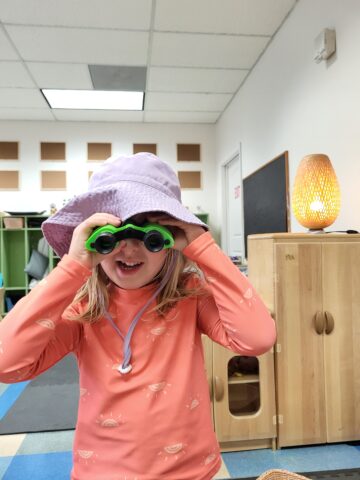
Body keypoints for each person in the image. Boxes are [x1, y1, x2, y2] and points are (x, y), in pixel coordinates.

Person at [0, 153, 276, 480]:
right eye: (111, 237)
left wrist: (203, 247)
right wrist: (71, 268)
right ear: (92, 240)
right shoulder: (83, 309)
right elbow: (6, 363)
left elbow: (257, 338)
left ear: (171, 237)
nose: (129, 250)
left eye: (149, 235)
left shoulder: (190, 296)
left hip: (194, 472)